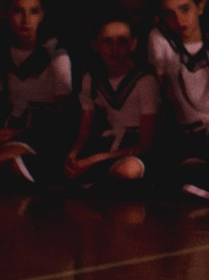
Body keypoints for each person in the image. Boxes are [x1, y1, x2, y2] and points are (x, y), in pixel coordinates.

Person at [0, 0, 75, 188]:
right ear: (7, 14)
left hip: (41, 129)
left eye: (33, 11)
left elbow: (63, 116)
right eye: (18, 11)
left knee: (5, 159)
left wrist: (20, 132)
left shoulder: (56, 56)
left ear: (43, 15)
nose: (25, 19)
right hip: (7, 126)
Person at [148, 0, 209, 185]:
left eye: (184, 9)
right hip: (181, 132)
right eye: (169, 14)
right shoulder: (161, 39)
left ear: (200, 6)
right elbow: (160, 88)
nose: (178, 19)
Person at [60, 19, 157, 190]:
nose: (115, 49)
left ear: (133, 44)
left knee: (128, 170)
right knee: (69, 169)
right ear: (95, 45)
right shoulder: (91, 78)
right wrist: (72, 155)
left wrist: (95, 159)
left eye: (122, 41)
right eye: (107, 41)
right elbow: (84, 133)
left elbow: (146, 143)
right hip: (107, 144)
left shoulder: (145, 81)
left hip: (135, 149)